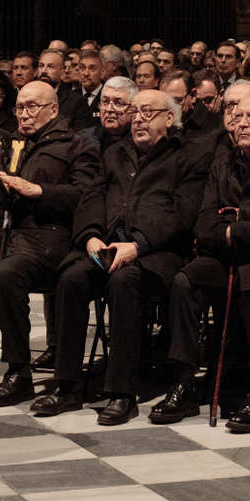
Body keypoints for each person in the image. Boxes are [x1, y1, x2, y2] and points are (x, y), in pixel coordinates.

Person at [150, 93, 250, 431]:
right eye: (237, 117)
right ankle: (184, 382)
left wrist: (236, 230)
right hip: (224, 255)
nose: (242, 124)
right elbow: (205, 219)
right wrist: (229, 233)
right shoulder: (224, 161)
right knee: (186, 281)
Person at [37, 87, 197, 424]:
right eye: (134, 111)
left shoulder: (188, 156)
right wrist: (91, 236)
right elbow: (92, 197)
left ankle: (123, 392)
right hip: (107, 247)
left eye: (147, 112)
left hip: (156, 253)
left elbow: (182, 213)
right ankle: (67, 385)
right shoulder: (115, 153)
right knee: (72, 277)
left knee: (124, 281)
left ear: (169, 118)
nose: (137, 118)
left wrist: (138, 244)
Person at [0, 80, 99, 406]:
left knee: (7, 274)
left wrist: (40, 192)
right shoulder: (8, 146)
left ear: (53, 109)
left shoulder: (77, 146)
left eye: (31, 106)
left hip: (43, 242)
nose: (23, 113)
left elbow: (86, 197)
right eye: (19, 107)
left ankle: (18, 372)